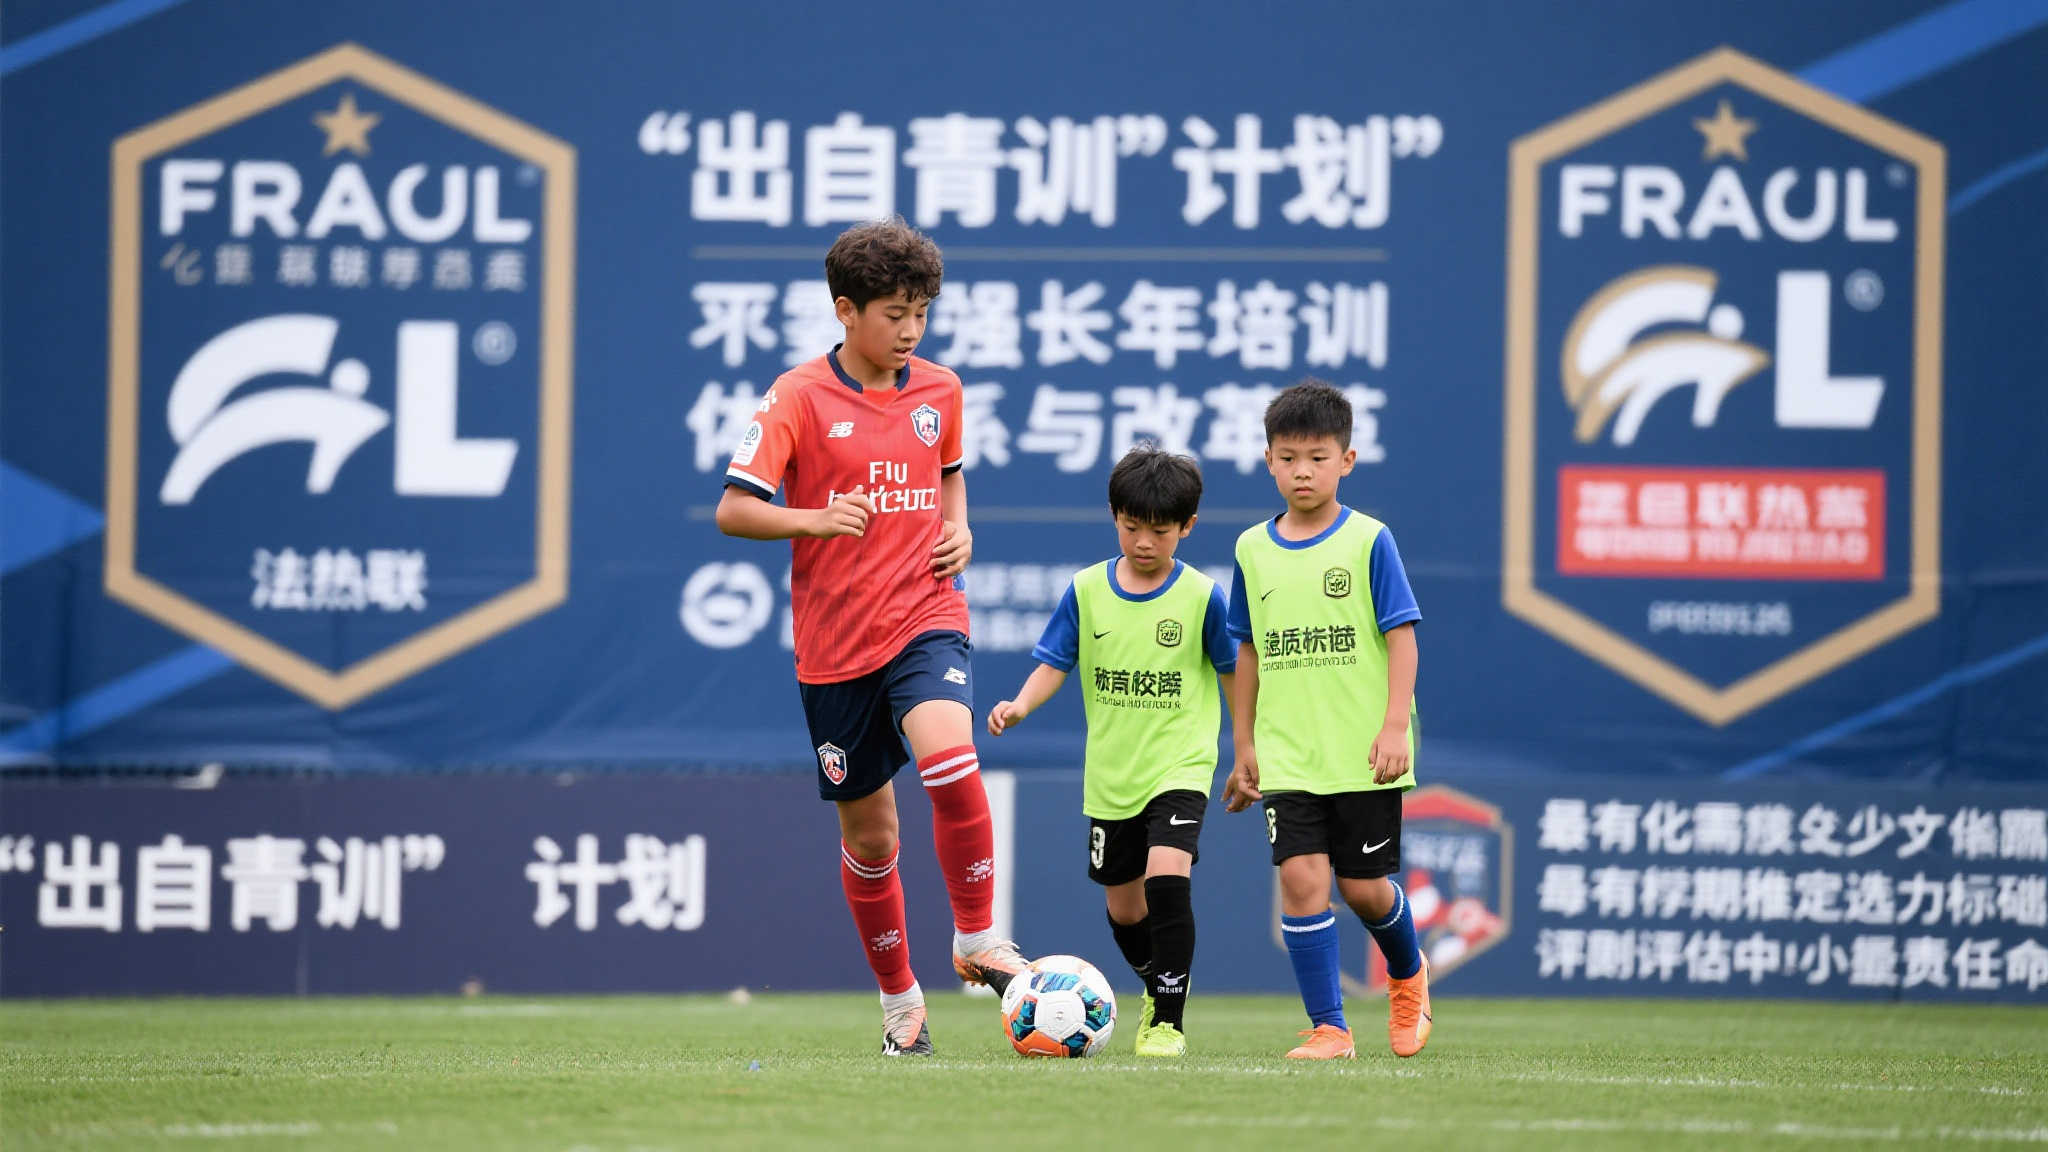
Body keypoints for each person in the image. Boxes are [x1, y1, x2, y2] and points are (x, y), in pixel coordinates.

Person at [714, 216, 1026, 1057]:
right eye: (895, 313)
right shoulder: (797, 396)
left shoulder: (941, 390)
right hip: (835, 649)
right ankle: (899, 1000)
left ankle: (976, 937)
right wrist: (813, 519)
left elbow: (949, 478)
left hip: (925, 614)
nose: (911, 329)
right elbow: (734, 509)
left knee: (951, 760)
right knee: (872, 837)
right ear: (846, 311)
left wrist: (960, 530)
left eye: (922, 312)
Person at [985, 446, 1238, 1058]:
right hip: (1112, 774)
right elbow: (1055, 661)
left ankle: (1167, 1021)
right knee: (1125, 910)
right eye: (1131, 527)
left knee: (1167, 876)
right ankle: (1156, 983)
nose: (1144, 542)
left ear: (1187, 527)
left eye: (1160, 531)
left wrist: (1249, 749)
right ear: (1113, 516)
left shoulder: (1203, 597)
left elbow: (1234, 674)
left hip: (1180, 764)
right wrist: (1020, 704)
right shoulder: (1086, 590)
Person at [1220, 379, 1431, 1060]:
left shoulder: (1370, 540)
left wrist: (1394, 726)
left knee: (1363, 889)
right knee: (1303, 879)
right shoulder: (1252, 549)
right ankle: (1330, 1028)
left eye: (1317, 457)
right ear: (1268, 461)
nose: (1302, 471)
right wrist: (1244, 744)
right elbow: (1247, 650)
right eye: (1288, 457)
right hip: (1287, 753)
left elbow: (1402, 637)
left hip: (1362, 750)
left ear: (1347, 460)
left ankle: (1408, 974)